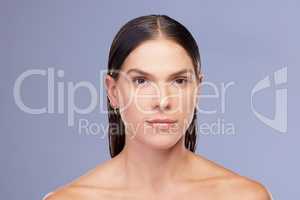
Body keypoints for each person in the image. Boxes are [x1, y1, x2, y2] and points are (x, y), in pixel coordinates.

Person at [44, 14, 272, 200]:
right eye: (141, 81)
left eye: (179, 81)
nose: (162, 101)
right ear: (113, 92)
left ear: (198, 90)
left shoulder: (244, 196)